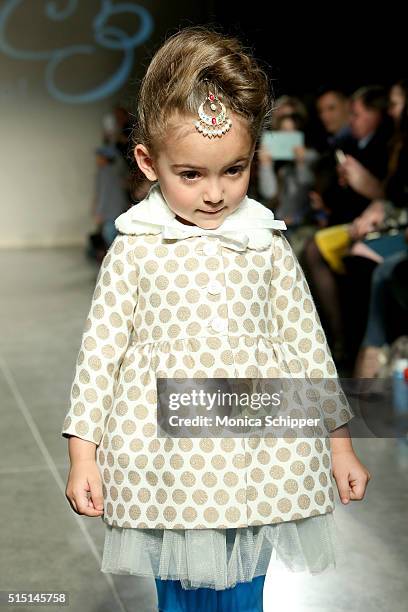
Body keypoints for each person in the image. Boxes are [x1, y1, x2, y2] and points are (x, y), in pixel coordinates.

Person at [61, 26, 370, 612]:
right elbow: (100, 354)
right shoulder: (135, 245)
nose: (215, 193)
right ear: (148, 162)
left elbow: (307, 347)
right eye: (192, 174)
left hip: (257, 453)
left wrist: (339, 445)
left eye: (234, 169)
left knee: (245, 591)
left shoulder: (264, 241)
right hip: (163, 460)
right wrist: (83, 454)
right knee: (176, 591)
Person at [92, 144, 130, 248]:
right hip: (120, 208)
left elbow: (103, 193)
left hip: (111, 210)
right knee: (115, 234)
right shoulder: (117, 170)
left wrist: (99, 212)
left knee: (109, 234)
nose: (97, 159)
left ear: (105, 158)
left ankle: (116, 258)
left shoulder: (105, 172)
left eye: (99, 157)